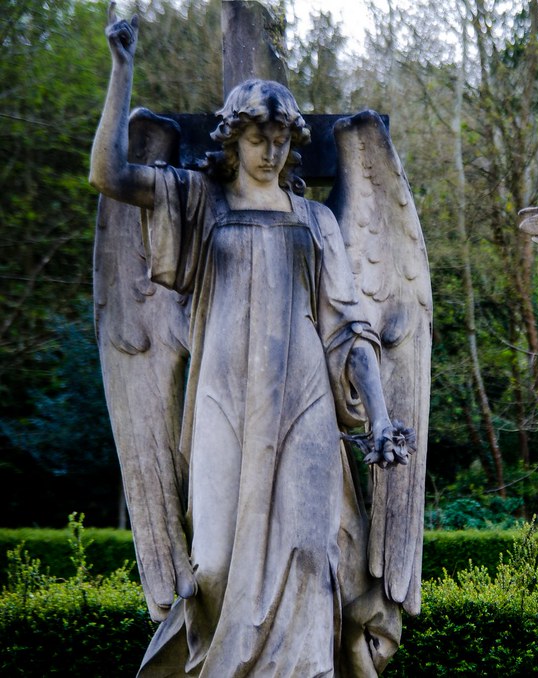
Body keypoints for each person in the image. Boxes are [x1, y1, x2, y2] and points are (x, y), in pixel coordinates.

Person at [91, 7, 405, 675]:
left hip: (304, 401)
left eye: (281, 139)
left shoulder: (315, 220)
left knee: (312, 552)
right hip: (223, 398)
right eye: (259, 138)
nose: (272, 151)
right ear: (234, 140)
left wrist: (379, 416)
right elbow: (110, 176)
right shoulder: (198, 202)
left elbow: (349, 328)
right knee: (212, 565)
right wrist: (122, 69)